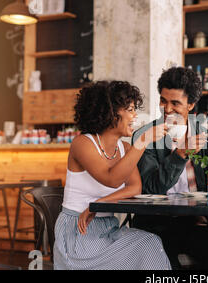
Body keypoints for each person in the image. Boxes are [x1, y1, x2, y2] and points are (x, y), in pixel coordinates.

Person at [53, 80, 172, 270]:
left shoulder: (124, 148)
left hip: (109, 228)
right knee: (148, 247)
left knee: (150, 243)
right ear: (110, 112)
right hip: (78, 232)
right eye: (130, 109)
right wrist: (143, 140)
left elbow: (135, 187)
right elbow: (112, 179)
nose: (135, 116)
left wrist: (99, 204)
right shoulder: (83, 144)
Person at [131, 66, 208, 270]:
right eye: (163, 100)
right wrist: (180, 155)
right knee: (167, 268)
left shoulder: (204, 137)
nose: (167, 109)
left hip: (195, 223)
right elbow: (150, 189)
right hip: (156, 224)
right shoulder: (146, 136)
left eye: (175, 103)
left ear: (191, 105)